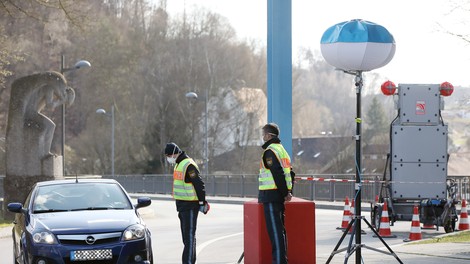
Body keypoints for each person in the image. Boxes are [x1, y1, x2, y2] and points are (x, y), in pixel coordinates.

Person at [165, 142, 209, 264]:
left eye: (169, 155)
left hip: (190, 206)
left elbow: (199, 184)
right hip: (182, 206)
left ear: (175, 153)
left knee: (189, 238)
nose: (168, 158)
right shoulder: (178, 164)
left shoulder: (188, 165)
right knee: (187, 238)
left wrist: (202, 202)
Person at [258, 123, 294, 264]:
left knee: (275, 233)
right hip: (277, 196)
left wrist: (285, 193)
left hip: (271, 196)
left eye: (263, 134)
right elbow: (289, 173)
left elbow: (278, 173)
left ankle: (279, 261)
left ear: (268, 135)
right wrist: (288, 192)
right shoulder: (281, 150)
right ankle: (281, 260)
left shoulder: (270, 152)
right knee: (280, 231)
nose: (262, 137)